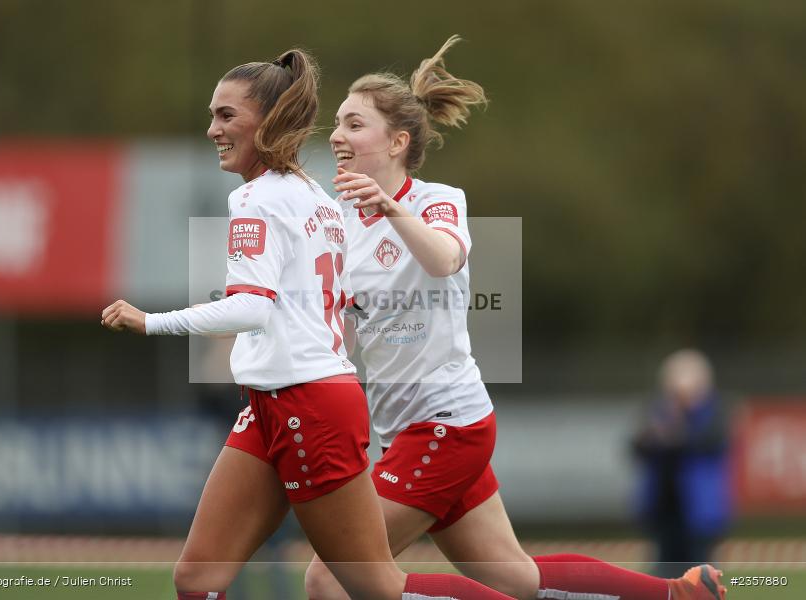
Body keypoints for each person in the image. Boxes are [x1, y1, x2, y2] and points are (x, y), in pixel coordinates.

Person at [304, 36, 727, 600]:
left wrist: (391, 208)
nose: (336, 135)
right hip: (406, 430)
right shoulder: (342, 220)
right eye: (337, 123)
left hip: (446, 424)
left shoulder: (435, 200)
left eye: (354, 124)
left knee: (332, 578)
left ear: (398, 141)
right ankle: (680, 593)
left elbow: (444, 257)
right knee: (514, 577)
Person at [101, 47, 519, 600]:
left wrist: (153, 322)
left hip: (353, 407)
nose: (212, 129)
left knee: (350, 582)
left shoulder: (276, 199)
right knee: (198, 577)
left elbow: (255, 305)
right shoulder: (321, 200)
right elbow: (293, 305)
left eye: (226, 116)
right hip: (284, 400)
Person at [632, 349, 732, 578]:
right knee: (663, 577)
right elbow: (638, 446)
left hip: (700, 513)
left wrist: (675, 432)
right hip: (664, 509)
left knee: (701, 577)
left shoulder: (715, 412)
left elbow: (707, 443)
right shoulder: (656, 411)